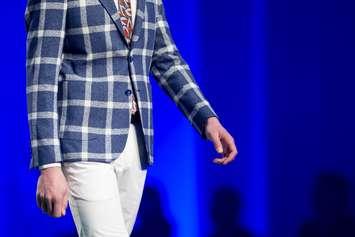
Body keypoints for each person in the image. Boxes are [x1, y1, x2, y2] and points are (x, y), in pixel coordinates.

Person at [24, 0, 238, 236]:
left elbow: (166, 58)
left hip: (135, 142)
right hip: (82, 139)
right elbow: (41, 76)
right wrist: (49, 165)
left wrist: (206, 117)